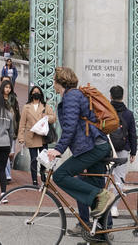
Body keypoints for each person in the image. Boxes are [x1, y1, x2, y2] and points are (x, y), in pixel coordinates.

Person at [46, 67, 113, 230]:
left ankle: (100, 196)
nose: (53, 84)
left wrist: (58, 149)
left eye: (54, 80)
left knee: (60, 176)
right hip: (95, 146)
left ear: (60, 82)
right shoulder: (74, 95)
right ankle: (102, 233)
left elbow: (70, 126)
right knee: (96, 187)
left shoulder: (71, 96)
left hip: (93, 147)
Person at [17, 85, 57, 186]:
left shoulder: (45, 106)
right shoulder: (26, 107)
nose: (36, 93)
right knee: (33, 159)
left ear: (41, 94)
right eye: (34, 92)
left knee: (43, 159)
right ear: (31, 94)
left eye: (38, 92)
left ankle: (43, 177)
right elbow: (22, 123)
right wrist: (21, 137)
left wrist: (47, 117)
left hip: (43, 137)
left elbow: (53, 118)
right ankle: (34, 180)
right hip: (31, 136)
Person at [108, 85, 137, 216]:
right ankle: (114, 207)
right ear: (122, 96)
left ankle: (105, 205)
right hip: (123, 148)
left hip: (108, 148)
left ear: (111, 96)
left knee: (106, 177)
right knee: (119, 179)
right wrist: (133, 152)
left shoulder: (106, 111)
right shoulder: (128, 114)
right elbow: (132, 134)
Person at [0, 80, 21, 183]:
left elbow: (17, 115)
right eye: (6, 87)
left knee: (10, 154)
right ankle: (7, 174)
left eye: (9, 87)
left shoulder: (13, 99)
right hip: (1, 130)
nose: (7, 89)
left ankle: (7, 171)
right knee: (4, 153)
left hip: (12, 129)